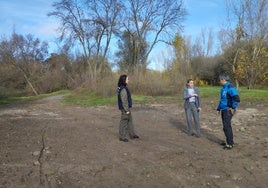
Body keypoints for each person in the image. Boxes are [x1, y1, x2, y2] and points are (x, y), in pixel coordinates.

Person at [217, 74, 240, 150]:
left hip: (228, 110)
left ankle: (230, 144)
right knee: (225, 127)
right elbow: (222, 100)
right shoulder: (223, 88)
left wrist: (233, 107)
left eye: (220, 80)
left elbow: (236, 98)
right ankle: (228, 141)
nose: (219, 81)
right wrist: (218, 108)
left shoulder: (230, 87)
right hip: (223, 110)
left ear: (223, 80)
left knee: (227, 127)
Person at [117, 74, 139, 142]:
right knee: (123, 122)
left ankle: (132, 134)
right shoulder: (123, 89)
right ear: (124, 80)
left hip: (126, 108)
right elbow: (124, 100)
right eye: (127, 79)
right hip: (125, 108)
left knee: (130, 121)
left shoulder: (122, 87)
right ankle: (122, 137)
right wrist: (126, 110)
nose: (128, 80)